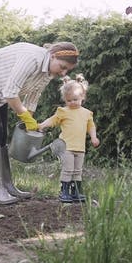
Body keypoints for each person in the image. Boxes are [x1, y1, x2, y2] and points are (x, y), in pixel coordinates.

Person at [0, 41, 80, 205]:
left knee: (3, 134)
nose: (63, 73)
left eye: (66, 70)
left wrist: (29, 118)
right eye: (62, 67)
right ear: (53, 55)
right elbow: (10, 92)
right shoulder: (32, 58)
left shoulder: (48, 72)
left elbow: (34, 95)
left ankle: (7, 185)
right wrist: (25, 117)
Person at [38, 74, 100, 203]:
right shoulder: (63, 111)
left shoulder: (87, 113)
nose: (72, 102)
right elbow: (53, 120)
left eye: (75, 99)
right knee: (68, 170)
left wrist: (94, 137)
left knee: (77, 170)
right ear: (65, 100)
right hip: (66, 147)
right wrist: (43, 125)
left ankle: (76, 191)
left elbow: (91, 127)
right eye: (68, 100)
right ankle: (64, 191)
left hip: (80, 148)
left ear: (83, 97)